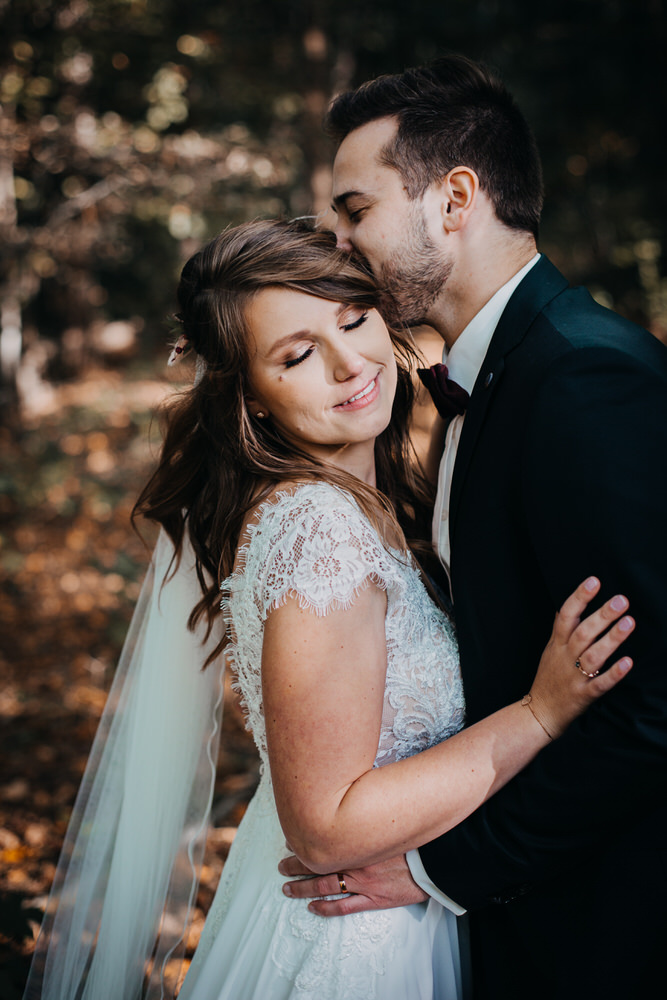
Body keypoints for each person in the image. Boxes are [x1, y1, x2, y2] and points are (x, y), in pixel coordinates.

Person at [23, 219, 634, 1000]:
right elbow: (325, 828)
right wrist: (540, 714)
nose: (350, 364)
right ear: (252, 400)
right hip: (354, 942)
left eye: (351, 318)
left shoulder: (372, 499)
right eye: (298, 354)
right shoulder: (317, 529)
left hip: (398, 912)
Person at [280, 55, 667, 1000]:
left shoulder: (584, 380)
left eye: (355, 210)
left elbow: (648, 704)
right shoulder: (485, 379)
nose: (335, 243)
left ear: (454, 199)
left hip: (603, 927)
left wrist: (436, 871)